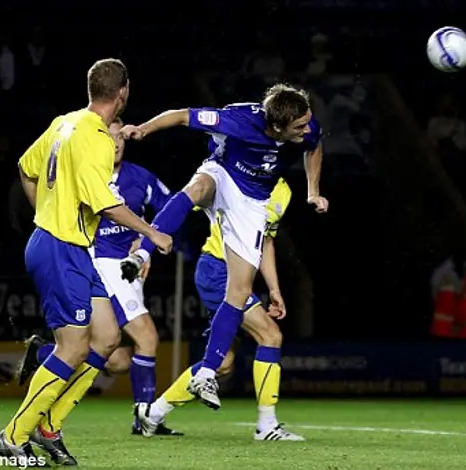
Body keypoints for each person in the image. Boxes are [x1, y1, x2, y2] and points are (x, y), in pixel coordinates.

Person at [0, 58, 173, 466]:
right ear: (122, 92)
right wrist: (152, 232)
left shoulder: (65, 121)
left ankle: (49, 426)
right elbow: (106, 203)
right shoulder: (94, 137)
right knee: (72, 347)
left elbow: (26, 167)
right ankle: (13, 437)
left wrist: (45, 212)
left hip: (68, 245)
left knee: (107, 338)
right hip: (60, 246)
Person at [119, 83, 327, 410]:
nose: (307, 128)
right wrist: (143, 130)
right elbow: (181, 116)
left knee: (240, 291)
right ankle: (143, 250)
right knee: (199, 185)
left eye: (307, 121)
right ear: (276, 127)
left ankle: (206, 373)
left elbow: (314, 146)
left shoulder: (305, 125)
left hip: (251, 202)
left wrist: (312, 190)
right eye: (299, 126)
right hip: (223, 174)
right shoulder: (239, 120)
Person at [14, 117, 182, 437]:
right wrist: (148, 234)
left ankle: (44, 355)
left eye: (121, 137)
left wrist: (144, 244)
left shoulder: (141, 178)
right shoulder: (85, 169)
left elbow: (172, 210)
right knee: (147, 336)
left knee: (116, 358)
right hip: (99, 262)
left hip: (127, 267)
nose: (116, 142)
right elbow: (105, 206)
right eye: (110, 136)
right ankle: (145, 418)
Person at [135, 177, 305, 441]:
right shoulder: (235, 174)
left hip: (237, 274)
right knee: (270, 335)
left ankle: (153, 414)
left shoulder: (283, 190)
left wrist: (274, 289)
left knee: (223, 363)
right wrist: (145, 238)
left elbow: (266, 241)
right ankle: (267, 425)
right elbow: (183, 201)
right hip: (217, 270)